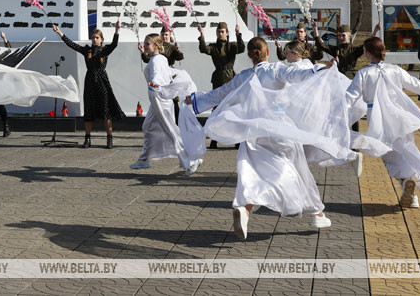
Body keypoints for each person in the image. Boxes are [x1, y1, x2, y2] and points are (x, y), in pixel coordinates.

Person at [185, 37, 337, 239]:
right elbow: (296, 73)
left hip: (253, 131)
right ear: (268, 52)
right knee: (297, 169)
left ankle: (245, 210)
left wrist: (195, 99)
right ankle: (316, 212)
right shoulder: (276, 69)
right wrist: (319, 69)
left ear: (249, 55)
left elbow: (220, 93)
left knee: (252, 175)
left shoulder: (243, 77)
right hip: (279, 128)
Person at [346, 37, 420, 209]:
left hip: (378, 117)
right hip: (399, 116)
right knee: (405, 148)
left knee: (389, 154)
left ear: (367, 53)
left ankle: (407, 184)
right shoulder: (395, 70)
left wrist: (336, 116)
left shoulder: (364, 74)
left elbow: (349, 99)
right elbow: (417, 85)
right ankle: (411, 192)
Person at [131, 33, 201, 175]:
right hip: (156, 97)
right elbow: (168, 73)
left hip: (159, 98)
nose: (144, 46)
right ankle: (144, 159)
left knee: (170, 131)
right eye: (145, 44)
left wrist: (156, 83)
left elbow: (157, 74)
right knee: (148, 126)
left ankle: (191, 161)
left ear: (156, 46)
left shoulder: (157, 60)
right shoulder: (159, 58)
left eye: (147, 44)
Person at [52, 21, 124, 148]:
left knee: (106, 110)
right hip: (90, 80)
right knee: (89, 111)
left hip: (102, 80)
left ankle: (109, 139)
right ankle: (87, 139)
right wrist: (59, 33)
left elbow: (114, 44)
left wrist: (117, 30)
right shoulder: (87, 50)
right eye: (93, 37)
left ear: (101, 40)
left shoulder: (104, 50)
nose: (94, 39)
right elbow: (72, 45)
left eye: (97, 37)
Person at [198, 21, 245, 149]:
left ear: (227, 33)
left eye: (223, 31)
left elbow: (241, 48)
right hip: (218, 78)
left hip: (230, 78)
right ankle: (214, 140)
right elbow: (203, 49)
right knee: (217, 110)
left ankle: (237, 140)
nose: (220, 34)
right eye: (218, 32)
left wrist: (238, 34)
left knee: (233, 109)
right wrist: (201, 36)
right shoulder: (214, 47)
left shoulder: (231, 46)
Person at [139, 27, 185, 122]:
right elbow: (149, 61)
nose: (164, 36)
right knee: (153, 125)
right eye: (162, 34)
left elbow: (156, 72)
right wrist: (143, 52)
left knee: (161, 123)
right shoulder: (157, 58)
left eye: (166, 34)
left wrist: (177, 49)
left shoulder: (165, 53)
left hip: (161, 88)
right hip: (158, 91)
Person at [313, 23, 380, 78]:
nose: (341, 37)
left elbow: (369, 44)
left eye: (343, 35)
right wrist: (315, 28)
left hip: (350, 77)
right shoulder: (336, 49)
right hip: (338, 76)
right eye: (339, 35)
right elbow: (321, 45)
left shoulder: (354, 50)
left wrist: (375, 31)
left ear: (349, 36)